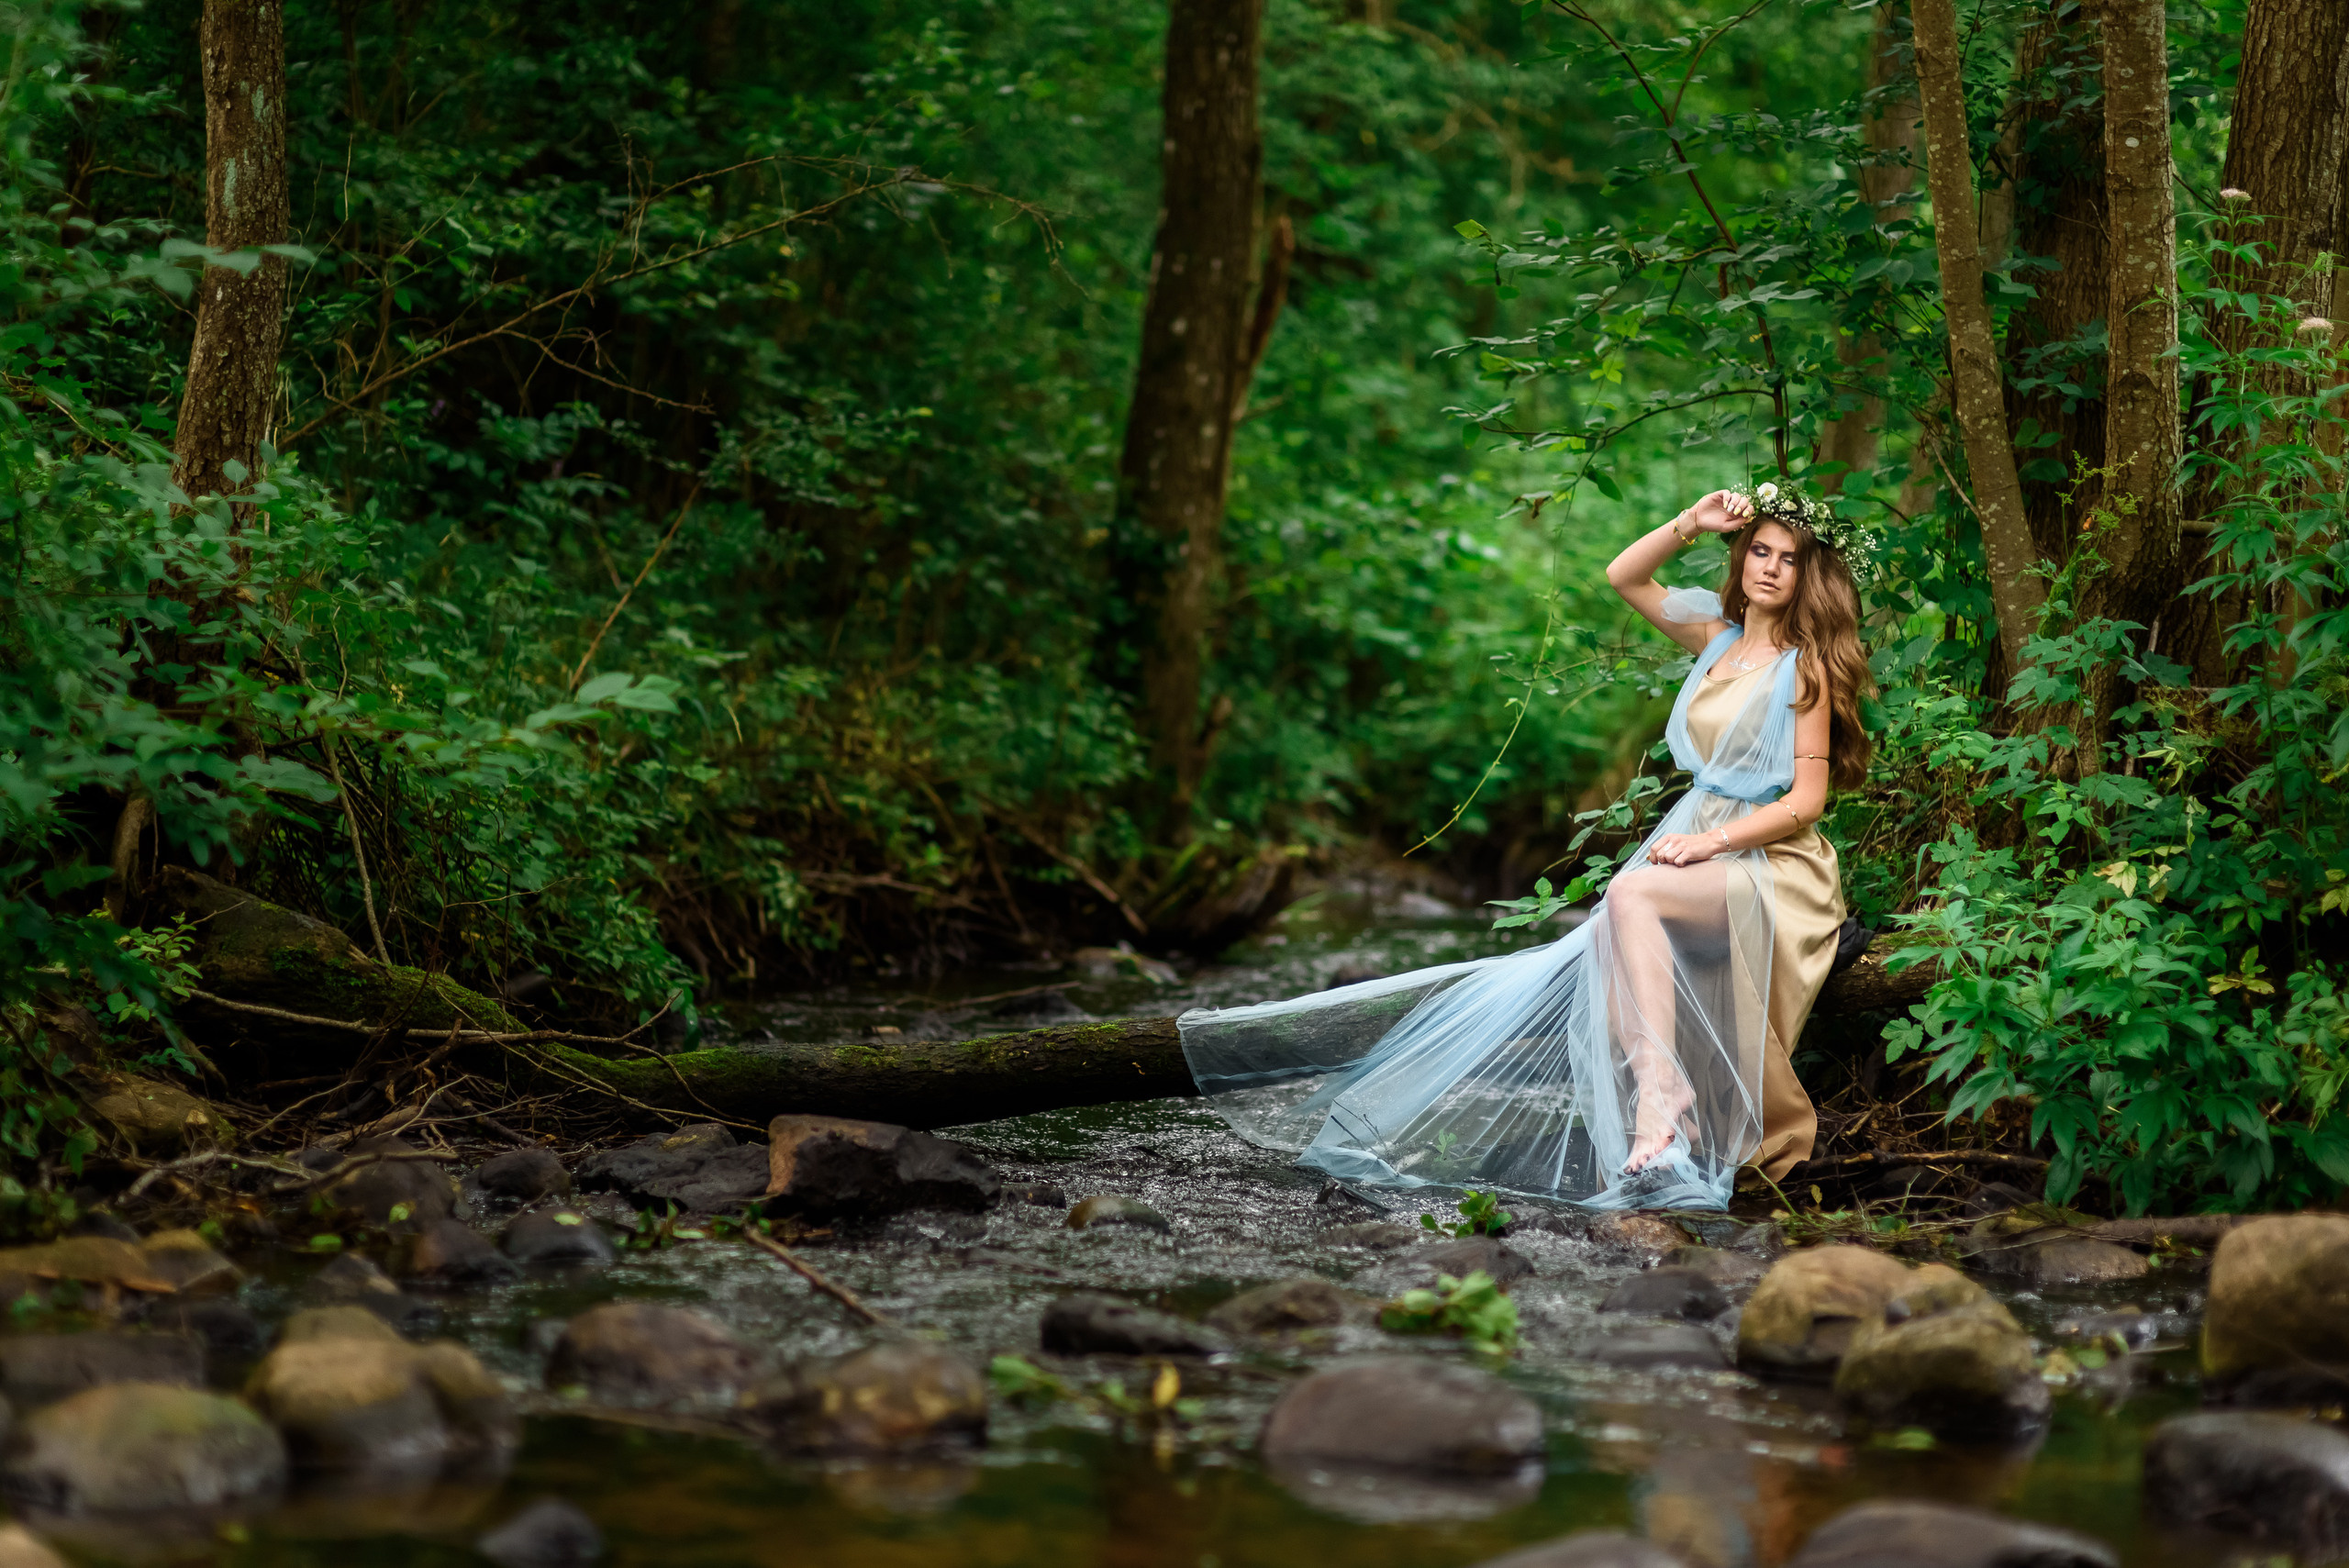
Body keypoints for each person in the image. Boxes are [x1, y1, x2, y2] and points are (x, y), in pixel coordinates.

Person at [1176, 483, 1876, 1210]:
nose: (1768, 568)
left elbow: (1805, 802)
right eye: (1758, 550)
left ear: (1807, 575)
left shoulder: (1806, 667)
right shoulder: (1715, 637)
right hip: (1697, 838)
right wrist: (1691, 523)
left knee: (1628, 894)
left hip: (1771, 862)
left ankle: (1664, 1094)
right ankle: (1664, 1100)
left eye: (1787, 559)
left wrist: (1712, 845)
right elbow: (1624, 577)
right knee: (1609, 937)